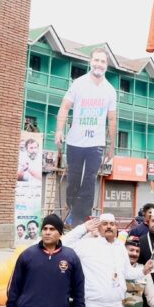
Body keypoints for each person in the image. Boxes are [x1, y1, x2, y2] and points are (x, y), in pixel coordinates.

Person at [55, 49, 116, 226]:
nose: (99, 64)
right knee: (73, 178)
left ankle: (83, 218)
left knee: (89, 179)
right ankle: (72, 211)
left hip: (96, 143)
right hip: (75, 141)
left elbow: (112, 118)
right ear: (90, 61)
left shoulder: (110, 91)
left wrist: (111, 145)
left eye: (102, 61)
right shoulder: (78, 83)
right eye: (96, 60)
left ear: (107, 65)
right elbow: (65, 107)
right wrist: (59, 130)